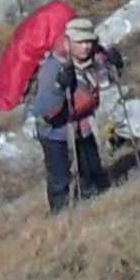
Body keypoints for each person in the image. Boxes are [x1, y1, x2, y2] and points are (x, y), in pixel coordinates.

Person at [29, 14, 122, 210]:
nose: (85, 46)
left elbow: (106, 81)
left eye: (88, 41)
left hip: (81, 124)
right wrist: (59, 87)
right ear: (68, 41)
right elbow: (44, 110)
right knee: (60, 178)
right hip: (54, 131)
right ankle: (60, 214)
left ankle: (95, 206)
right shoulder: (53, 67)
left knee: (92, 170)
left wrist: (116, 67)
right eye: (80, 42)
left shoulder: (96, 57)